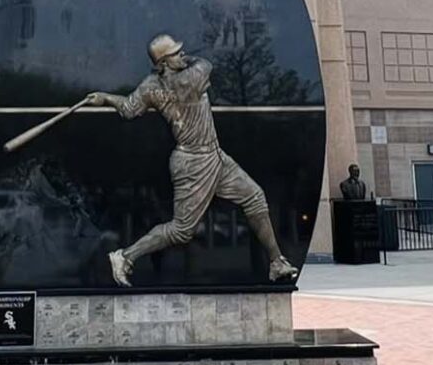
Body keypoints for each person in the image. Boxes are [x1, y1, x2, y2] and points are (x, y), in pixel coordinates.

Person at [81, 34, 301, 288]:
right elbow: (206, 64)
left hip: (214, 155)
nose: (182, 55)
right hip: (193, 162)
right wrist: (191, 58)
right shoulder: (190, 78)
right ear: (163, 62)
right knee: (182, 230)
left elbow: (129, 108)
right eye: (175, 53)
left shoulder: (151, 85)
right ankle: (125, 257)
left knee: (254, 196)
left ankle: (276, 261)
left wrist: (105, 97)